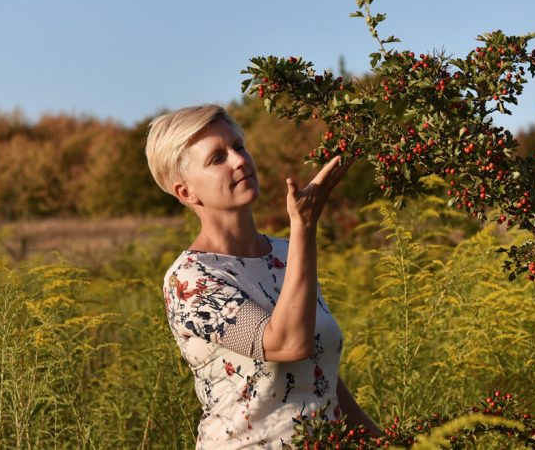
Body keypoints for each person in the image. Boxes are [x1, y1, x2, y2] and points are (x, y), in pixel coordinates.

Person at [146, 105, 381, 448]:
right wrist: (305, 225)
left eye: (238, 147)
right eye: (217, 158)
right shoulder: (191, 280)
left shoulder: (286, 254)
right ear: (186, 192)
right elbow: (287, 344)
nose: (239, 161)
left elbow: (319, 377)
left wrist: (388, 442)